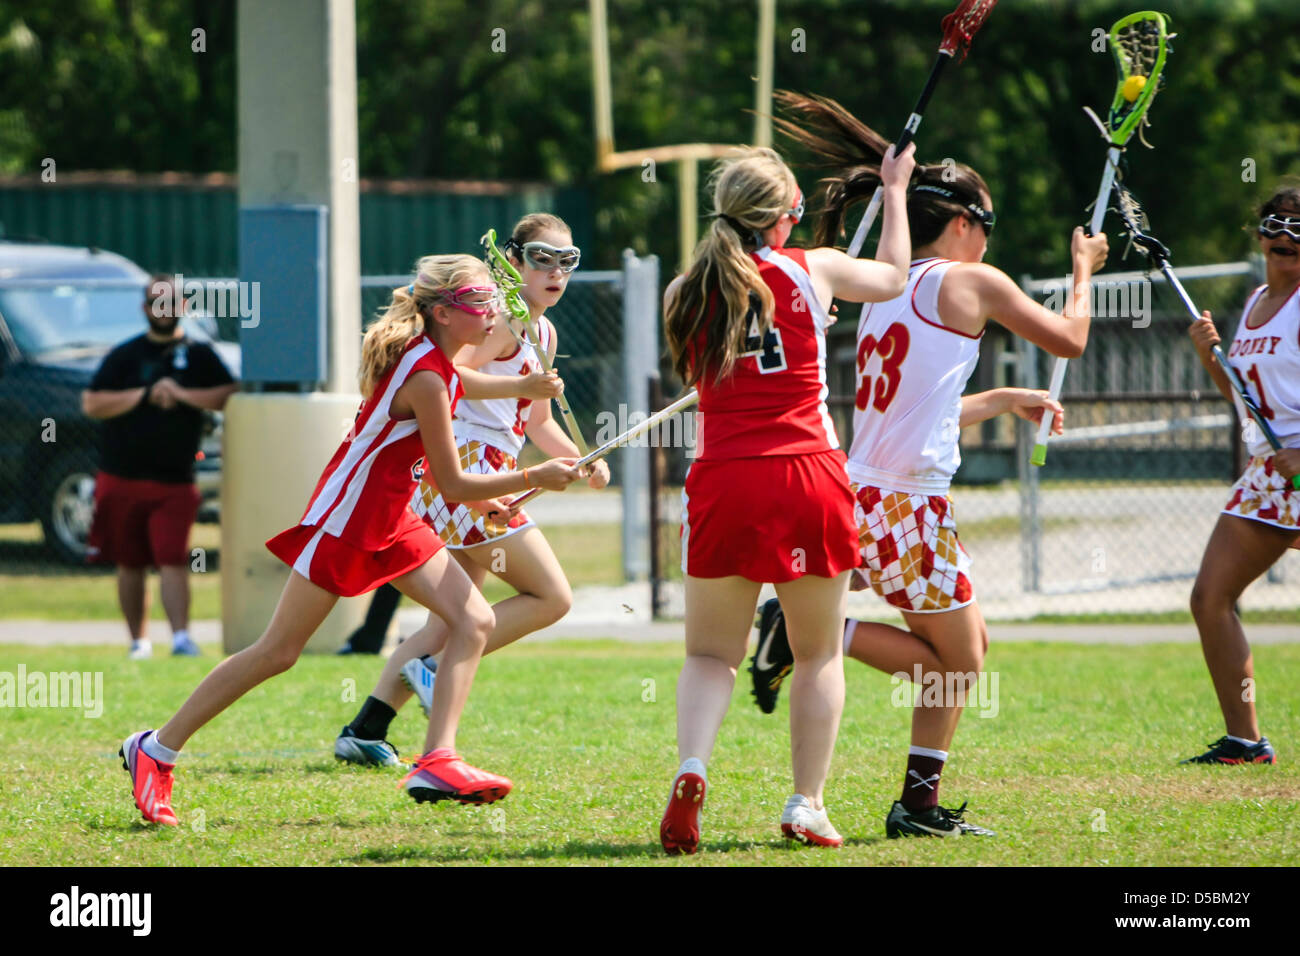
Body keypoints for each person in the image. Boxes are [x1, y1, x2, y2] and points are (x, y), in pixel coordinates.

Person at [747, 92, 1108, 838]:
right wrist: (1084, 269)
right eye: (988, 226)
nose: (988, 241)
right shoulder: (974, 281)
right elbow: (1070, 340)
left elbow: (919, 410)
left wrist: (1003, 397)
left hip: (861, 491)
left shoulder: (888, 286)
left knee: (954, 658)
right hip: (907, 504)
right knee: (961, 658)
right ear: (968, 225)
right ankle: (814, 639)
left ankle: (916, 802)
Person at [119, 255, 581, 825]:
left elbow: (434, 469)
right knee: (277, 652)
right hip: (348, 521)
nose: (493, 313)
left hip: (393, 519)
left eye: (493, 301)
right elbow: (455, 480)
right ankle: (156, 748)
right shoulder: (429, 375)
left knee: (475, 620)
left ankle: (439, 759)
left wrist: (492, 496)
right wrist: (535, 475)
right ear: (442, 312)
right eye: (480, 303)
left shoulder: (439, 363)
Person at [657, 135, 917, 855]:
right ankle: (806, 803)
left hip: (724, 477)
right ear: (782, 218)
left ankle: (691, 767)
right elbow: (895, 275)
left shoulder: (683, 290)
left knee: (711, 656)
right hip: (806, 471)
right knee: (815, 654)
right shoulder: (816, 270)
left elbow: (711, 364)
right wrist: (894, 189)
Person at [334, 213, 611, 766]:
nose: (555, 271)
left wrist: (575, 459)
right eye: (541, 258)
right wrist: (521, 383)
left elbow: (534, 422)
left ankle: (365, 729)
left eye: (568, 261)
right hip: (462, 467)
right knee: (550, 597)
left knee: (450, 619)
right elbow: (448, 375)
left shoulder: (544, 332)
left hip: (492, 465)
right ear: (512, 260)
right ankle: (433, 677)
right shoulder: (501, 320)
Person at [1183, 184, 1300, 765]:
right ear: (1259, 236)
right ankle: (1246, 741)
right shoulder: (1255, 300)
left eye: (1299, 231)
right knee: (1210, 598)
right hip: (1269, 475)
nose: (1286, 239)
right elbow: (1244, 399)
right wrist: (1212, 355)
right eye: (1276, 226)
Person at [82, 275, 238, 659]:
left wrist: (181, 394)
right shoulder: (125, 355)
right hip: (121, 476)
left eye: (170, 302)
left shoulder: (200, 354)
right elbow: (92, 403)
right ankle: (139, 642)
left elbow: (229, 395)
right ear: (144, 308)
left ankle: (182, 638)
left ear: (183, 307)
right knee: (129, 561)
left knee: (172, 558)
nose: (163, 310)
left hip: (175, 480)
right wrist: (143, 396)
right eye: (156, 302)